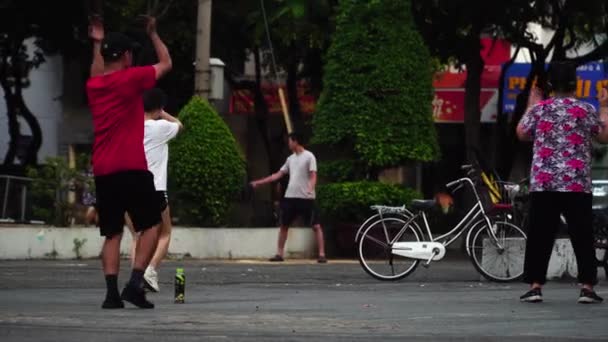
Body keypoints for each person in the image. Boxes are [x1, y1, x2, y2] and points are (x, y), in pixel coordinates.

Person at [86, 14, 172, 309]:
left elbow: (98, 72)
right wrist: (154, 35)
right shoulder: (132, 79)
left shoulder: (94, 87)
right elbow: (166, 65)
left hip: (104, 169)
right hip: (132, 167)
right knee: (151, 226)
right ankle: (135, 284)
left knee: (112, 232)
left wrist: (98, 43)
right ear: (125, 55)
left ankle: (111, 295)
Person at [516, 61, 608, 304]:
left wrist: (531, 104)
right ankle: (587, 288)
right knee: (582, 235)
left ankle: (535, 286)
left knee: (540, 235)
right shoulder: (585, 109)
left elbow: (522, 133)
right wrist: (606, 106)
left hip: (544, 183)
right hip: (576, 184)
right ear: (574, 84)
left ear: (549, 85)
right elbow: (604, 136)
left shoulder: (541, 110)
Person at [250, 132, 327, 263]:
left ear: (295, 141)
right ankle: (279, 254)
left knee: (316, 226)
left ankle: (322, 254)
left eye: (290, 141)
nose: (288, 143)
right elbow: (277, 175)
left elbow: (313, 175)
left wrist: (310, 188)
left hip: (306, 199)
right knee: (284, 226)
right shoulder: (290, 159)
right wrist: (259, 182)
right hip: (290, 197)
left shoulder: (309, 156)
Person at [139, 88, 183, 292]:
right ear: (158, 108)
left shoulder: (132, 126)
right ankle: (150, 271)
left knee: (140, 236)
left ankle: (136, 276)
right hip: (156, 189)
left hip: (134, 189)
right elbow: (179, 125)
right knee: (165, 233)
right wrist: (162, 113)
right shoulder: (161, 127)